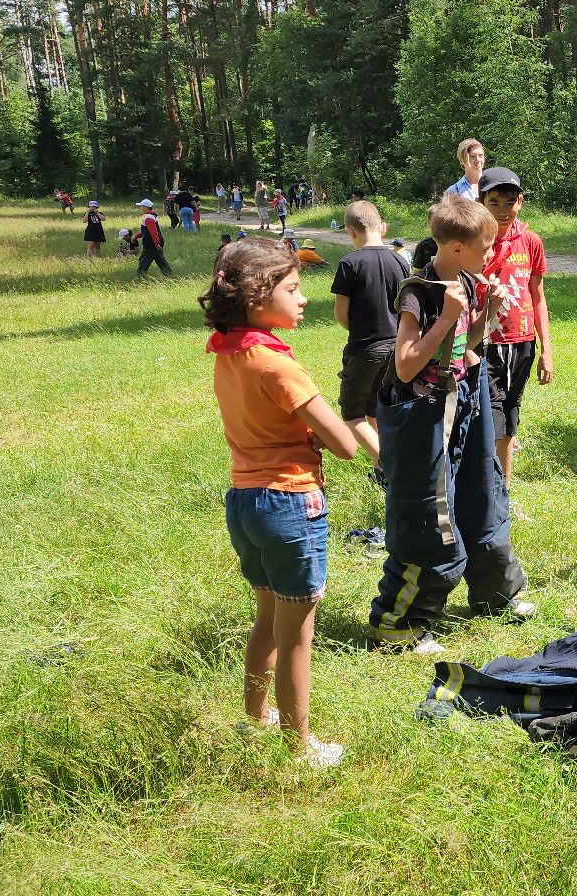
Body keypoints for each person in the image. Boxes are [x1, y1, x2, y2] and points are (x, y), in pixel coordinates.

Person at [202, 238, 361, 769]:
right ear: (255, 297)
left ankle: (256, 716)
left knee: (266, 616)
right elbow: (345, 444)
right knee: (298, 634)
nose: (304, 299)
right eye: (293, 289)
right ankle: (300, 747)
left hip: (244, 502)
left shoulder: (229, 355)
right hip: (291, 504)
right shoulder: (279, 367)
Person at [370, 194, 533, 654]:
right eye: (486, 247)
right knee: (431, 515)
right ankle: (399, 623)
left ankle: (495, 594)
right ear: (457, 247)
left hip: (464, 401)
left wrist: (487, 314)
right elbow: (405, 366)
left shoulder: (466, 278)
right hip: (425, 417)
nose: (490, 256)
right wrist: (447, 317)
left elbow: (466, 344)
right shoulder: (417, 292)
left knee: (483, 492)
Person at [479, 168, 553, 485]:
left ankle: (503, 490)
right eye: (494, 202)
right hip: (483, 342)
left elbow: (537, 296)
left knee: (509, 416)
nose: (503, 210)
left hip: (522, 341)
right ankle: (485, 489)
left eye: (510, 202)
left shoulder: (530, 241)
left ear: (520, 202)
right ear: (480, 203)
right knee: (488, 416)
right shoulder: (475, 242)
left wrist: (546, 351)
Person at [332, 199, 412, 469]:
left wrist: (358, 329)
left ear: (350, 231)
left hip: (365, 347)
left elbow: (341, 314)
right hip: (396, 346)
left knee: (353, 415)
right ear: (384, 228)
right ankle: (382, 470)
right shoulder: (400, 262)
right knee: (378, 409)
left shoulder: (349, 263)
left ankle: (391, 466)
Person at [135, 199, 172, 277]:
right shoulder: (150, 216)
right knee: (160, 260)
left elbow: (153, 232)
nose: (140, 208)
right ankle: (169, 274)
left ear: (146, 207)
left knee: (144, 260)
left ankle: (140, 275)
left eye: (141, 206)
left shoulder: (148, 218)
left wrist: (156, 243)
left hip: (151, 243)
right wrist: (137, 236)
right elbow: (146, 231)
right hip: (155, 243)